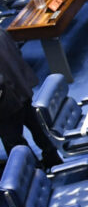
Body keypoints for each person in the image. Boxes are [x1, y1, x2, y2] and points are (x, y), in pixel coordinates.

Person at [0, 30, 63, 171]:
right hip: (21, 86)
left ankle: (35, 173)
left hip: (6, 101)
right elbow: (17, 54)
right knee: (35, 126)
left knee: (14, 143)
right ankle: (52, 157)